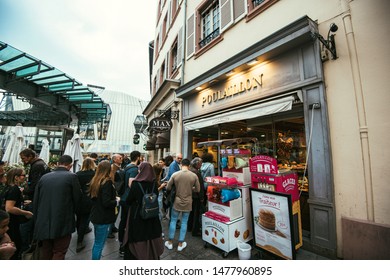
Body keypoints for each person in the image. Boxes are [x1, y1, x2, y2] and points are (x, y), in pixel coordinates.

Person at [33, 155, 81, 260]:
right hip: (62, 221)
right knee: (59, 251)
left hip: (43, 221)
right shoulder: (72, 177)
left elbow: (36, 200)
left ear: (58, 163)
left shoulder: (44, 177)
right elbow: (77, 199)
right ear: (70, 165)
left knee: (46, 251)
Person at [123, 162, 164, 259]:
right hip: (152, 214)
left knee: (139, 234)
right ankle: (152, 251)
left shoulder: (136, 184)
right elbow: (156, 196)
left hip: (138, 214)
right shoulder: (154, 183)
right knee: (151, 233)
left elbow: (129, 200)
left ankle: (139, 253)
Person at [164, 158, 200, 252]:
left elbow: (168, 187)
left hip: (177, 200)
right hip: (188, 201)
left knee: (173, 221)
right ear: (189, 166)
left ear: (181, 165)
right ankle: (180, 244)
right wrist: (190, 188)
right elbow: (198, 190)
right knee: (184, 222)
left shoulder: (175, 174)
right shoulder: (194, 175)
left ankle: (170, 242)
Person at [19, 148, 49, 252]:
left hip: (35, 198)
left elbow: (35, 184)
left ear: (30, 156)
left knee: (28, 223)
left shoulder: (37, 166)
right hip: (40, 197)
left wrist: (25, 191)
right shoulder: (40, 163)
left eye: (23, 158)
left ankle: (28, 246)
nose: (22, 160)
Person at [89, 160, 119, 260]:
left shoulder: (95, 180)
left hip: (95, 215)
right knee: (99, 244)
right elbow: (106, 202)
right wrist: (116, 201)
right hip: (103, 217)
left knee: (97, 242)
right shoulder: (107, 182)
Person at [4, 167, 33, 259]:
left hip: (10, 222)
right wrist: (26, 213)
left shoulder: (8, 187)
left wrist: (22, 202)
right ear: (16, 177)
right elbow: (9, 207)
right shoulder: (14, 189)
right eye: (23, 175)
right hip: (12, 222)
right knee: (16, 246)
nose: (25, 177)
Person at [118, 150, 140, 256]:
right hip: (128, 199)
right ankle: (124, 244)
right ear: (138, 157)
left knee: (123, 220)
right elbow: (131, 184)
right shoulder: (134, 169)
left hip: (123, 197)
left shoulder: (127, 166)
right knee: (127, 221)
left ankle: (121, 243)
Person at [75, 157, 96, 253]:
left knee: (79, 218)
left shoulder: (77, 174)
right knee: (84, 219)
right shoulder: (94, 174)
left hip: (78, 199)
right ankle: (79, 241)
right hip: (89, 199)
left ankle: (80, 231)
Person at [188, 157, 205, 236]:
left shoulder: (189, 170)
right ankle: (195, 230)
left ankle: (189, 227)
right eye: (200, 164)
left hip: (190, 194)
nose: (201, 165)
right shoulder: (197, 173)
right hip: (196, 195)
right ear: (197, 164)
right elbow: (200, 186)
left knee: (191, 212)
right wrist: (202, 197)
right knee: (196, 213)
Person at [108, 153, 123, 238]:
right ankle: (109, 231)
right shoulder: (113, 168)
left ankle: (112, 227)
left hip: (118, 192)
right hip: (115, 193)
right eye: (119, 158)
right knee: (115, 212)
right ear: (114, 160)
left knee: (116, 211)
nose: (121, 159)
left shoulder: (118, 167)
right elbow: (113, 181)